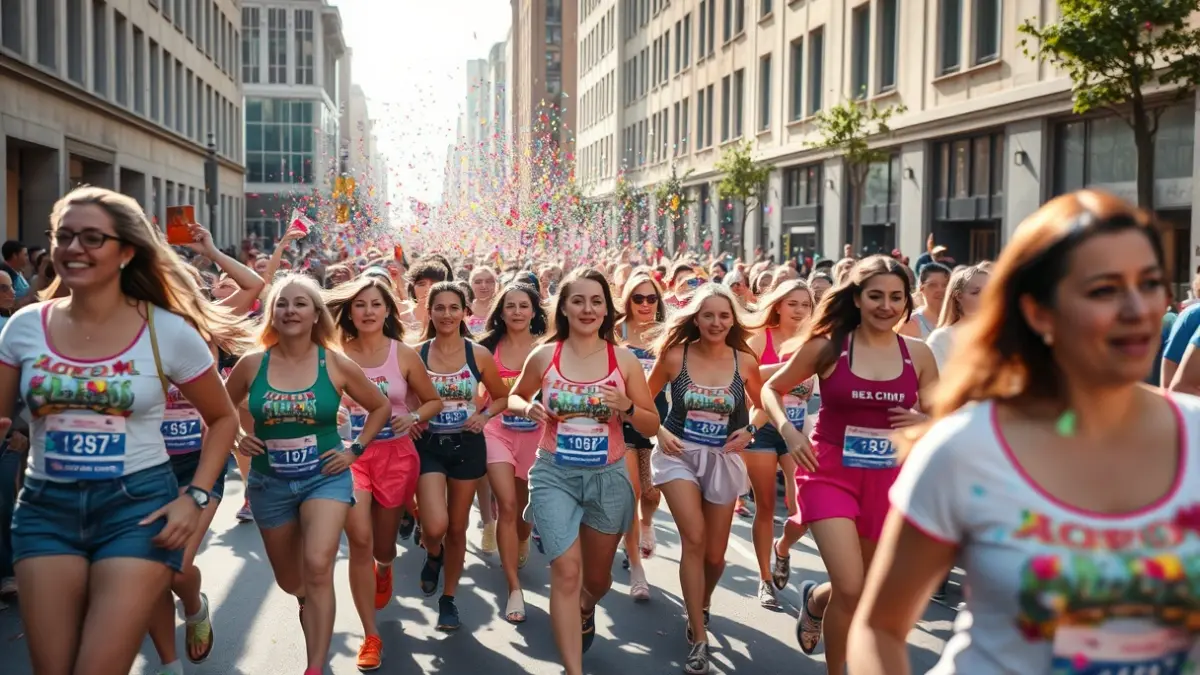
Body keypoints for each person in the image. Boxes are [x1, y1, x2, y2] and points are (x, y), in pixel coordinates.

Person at [848, 190, 1198, 674]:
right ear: (1037, 312)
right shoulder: (965, 448)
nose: (1138, 308)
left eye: (1151, 282)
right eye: (1104, 289)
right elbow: (880, 627)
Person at [2, 186, 241, 675]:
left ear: (126, 251)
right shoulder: (24, 327)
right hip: (46, 507)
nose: (74, 249)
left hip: (137, 507)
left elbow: (223, 418)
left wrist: (195, 497)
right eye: (64, 236)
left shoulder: (169, 331)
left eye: (92, 237)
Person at [760, 255, 938, 674]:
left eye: (896, 297)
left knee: (861, 589)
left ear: (905, 302)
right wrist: (788, 429)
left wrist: (926, 422)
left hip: (889, 478)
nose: (886, 305)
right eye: (875, 295)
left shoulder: (920, 354)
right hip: (828, 472)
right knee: (852, 584)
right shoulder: (827, 347)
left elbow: (944, 415)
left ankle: (815, 600)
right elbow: (772, 387)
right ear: (856, 298)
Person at [224, 273, 391, 675]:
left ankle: (314, 666)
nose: (290, 310)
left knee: (318, 564)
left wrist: (355, 450)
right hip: (269, 483)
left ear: (316, 314)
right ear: (272, 313)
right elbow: (218, 410)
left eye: (300, 303)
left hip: (325, 477)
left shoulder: (334, 363)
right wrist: (237, 439)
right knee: (290, 581)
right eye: (282, 303)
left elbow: (380, 407)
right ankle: (306, 601)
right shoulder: (251, 364)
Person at [507, 267, 659, 675]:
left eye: (596, 301)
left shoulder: (623, 360)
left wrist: (626, 406)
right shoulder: (545, 356)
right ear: (565, 308)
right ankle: (572, 669)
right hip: (554, 472)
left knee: (597, 579)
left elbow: (650, 423)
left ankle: (587, 607)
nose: (587, 308)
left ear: (607, 310)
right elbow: (514, 396)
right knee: (566, 570)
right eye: (578, 300)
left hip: (608, 477)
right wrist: (529, 407)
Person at [324, 275, 442, 671]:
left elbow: (433, 402)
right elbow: (319, 398)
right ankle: (369, 635)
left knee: (381, 547)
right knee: (358, 539)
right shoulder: (333, 353)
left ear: (388, 309)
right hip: (350, 458)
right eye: (360, 305)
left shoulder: (403, 354)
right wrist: (334, 410)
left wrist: (411, 416)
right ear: (349, 312)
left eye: (376, 304)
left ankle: (386, 566)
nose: (368, 312)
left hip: (395, 456)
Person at [646, 283, 766, 673]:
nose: (716, 322)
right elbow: (644, 400)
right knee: (693, 538)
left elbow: (767, 406)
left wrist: (750, 430)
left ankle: (703, 600)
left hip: (722, 458)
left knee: (715, 557)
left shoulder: (743, 360)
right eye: (708, 315)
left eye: (724, 315)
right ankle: (698, 636)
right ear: (695, 318)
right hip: (677, 455)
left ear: (733, 320)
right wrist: (658, 431)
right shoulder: (674, 356)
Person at [413, 281, 510, 630]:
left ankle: (448, 600)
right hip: (429, 445)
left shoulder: (478, 354)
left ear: (466, 312)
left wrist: (483, 416)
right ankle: (432, 553)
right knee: (434, 525)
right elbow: (408, 399)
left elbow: (501, 397)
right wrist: (412, 418)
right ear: (430, 312)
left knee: (457, 527)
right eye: (439, 307)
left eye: (454, 307)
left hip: (467, 446)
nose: (447, 314)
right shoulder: (417, 354)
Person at [478, 281, 548, 622]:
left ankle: (522, 538)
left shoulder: (548, 348)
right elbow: (476, 391)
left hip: (537, 437)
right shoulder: (486, 348)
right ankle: (514, 589)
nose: (517, 312)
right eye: (510, 306)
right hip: (498, 432)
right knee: (505, 505)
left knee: (522, 513)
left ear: (534, 311)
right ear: (501, 312)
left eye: (524, 306)